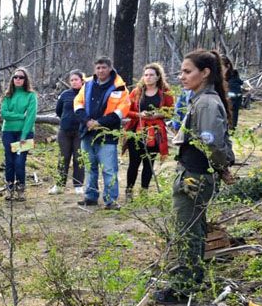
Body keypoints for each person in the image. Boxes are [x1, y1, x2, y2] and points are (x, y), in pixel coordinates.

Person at [153, 50, 235, 305]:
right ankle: (192, 277)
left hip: (196, 176)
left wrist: (221, 168)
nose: (181, 76)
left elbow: (213, 145)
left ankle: (184, 286)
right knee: (193, 228)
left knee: (188, 230)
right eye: (181, 71)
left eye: (187, 71)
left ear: (205, 72)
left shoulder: (207, 103)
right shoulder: (198, 100)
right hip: (191, 172)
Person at [74, 56, 130, 210]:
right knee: (89, 167)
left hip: (108, 135)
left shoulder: (120, 88)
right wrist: (87, 121)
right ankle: (90, 197)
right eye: (98, 68)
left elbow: (121, 111)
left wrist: (99, 122)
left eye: (104, 67)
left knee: (109, 169)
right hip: (87, 132)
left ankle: (111, 200)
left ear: (110, 68)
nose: (100, 70)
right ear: (94, 69)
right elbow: (77, 104)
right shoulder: (88, 85)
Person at [123, 63, 175, 200]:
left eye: (151, 75)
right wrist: (139, 114)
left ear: (158, 77)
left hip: (155, 132)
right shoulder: (137, 91)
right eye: (146, 75)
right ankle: (129, 190)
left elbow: (170, 111)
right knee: (134, 162)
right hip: (137, 130)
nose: (148, 77)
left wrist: (158, 114)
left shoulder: (165, 92)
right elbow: (126, 110)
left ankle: (144, 191)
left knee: (149, 163)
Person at [0, 67, 38, 201]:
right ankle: (9, 188)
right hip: (8, 132)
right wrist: (21, 115)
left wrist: (23, 135)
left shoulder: (31, 96)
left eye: (21, 77)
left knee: (19, 162)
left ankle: (21, 188)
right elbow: (4, 114)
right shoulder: (8, 95)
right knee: (9, 161)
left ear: (25, 80)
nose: (18, 79)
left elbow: (31, 117)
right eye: (15, 77)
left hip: (25, 134)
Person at [50, 70, 86, 195]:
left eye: (76, 79)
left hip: (80, 132)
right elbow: (59, 111)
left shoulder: (86, 93)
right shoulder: (65, 94)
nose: (74, 82)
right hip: (64, 131)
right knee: (63, 158)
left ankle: (78, 185)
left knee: (78, 158)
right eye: (72, 80)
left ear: (82, 80)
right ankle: (59, 185)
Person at [222, 55, 246, 130]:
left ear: (228, 66)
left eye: (221, 67)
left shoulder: (233, 79)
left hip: (231, 108)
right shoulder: (219, 78)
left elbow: (235, 95)